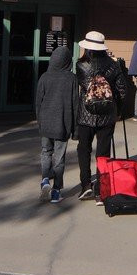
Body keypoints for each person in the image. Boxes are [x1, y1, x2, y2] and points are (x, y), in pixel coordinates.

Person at [75, 30, 129, 203]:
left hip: (86, 114)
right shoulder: (114, 65)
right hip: (108, 115)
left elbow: (85, 87)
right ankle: (101, 190)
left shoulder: (81, 65)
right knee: (103, 152)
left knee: (84, 149)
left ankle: (86, 185)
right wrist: (118, 110)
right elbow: (122, 90)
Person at [35, 45, 78, 204]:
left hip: (45, 122)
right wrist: (75, 129)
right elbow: (75, 104)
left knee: (46, 152)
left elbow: (38, 102)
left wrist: (39, 121)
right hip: (63, 123)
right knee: (59, 158)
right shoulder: (71, 78)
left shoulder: (44, 77)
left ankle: (45, 180)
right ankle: (56, 191)